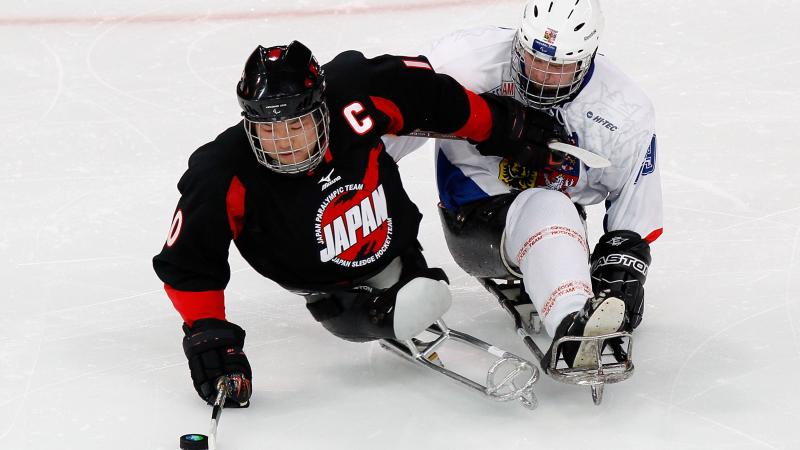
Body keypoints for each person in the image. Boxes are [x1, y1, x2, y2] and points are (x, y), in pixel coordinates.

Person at [152, 40, 562, 406]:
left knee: (424, 291)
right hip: (329, 290)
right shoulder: (222, 170)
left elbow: (431, 96)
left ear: (322, 108)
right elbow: (189, 260)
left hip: (394, 244)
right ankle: (384, 308)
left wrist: (498, 126)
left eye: (297, 125)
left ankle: (407, 281)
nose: (285, 143)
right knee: (405, 304)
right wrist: (208, 334)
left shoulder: (354, 90)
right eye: (268, 129)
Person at [386, 0, 662, 372]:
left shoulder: (624, 112)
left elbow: (635, 207)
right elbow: (389, 132)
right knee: (550, 205)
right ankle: (573, 320)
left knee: (552, 206)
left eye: (558, 68)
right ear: (518, 41)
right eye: (534, 59)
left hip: (563, 226)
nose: (541, 77)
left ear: (588, 60)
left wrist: (620, 277)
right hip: (473, 218)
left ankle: (578, 316)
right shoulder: (465, 62)